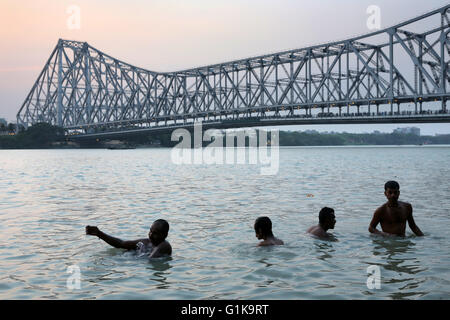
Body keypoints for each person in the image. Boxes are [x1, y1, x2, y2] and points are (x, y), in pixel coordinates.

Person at [85, 219, 172, 258]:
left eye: (155, 233)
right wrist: (99, 234)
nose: (150, 235)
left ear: (165, 235)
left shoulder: (164, 246)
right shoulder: (146, 242)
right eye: (150, 231)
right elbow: (121, 244)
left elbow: (150, 260)